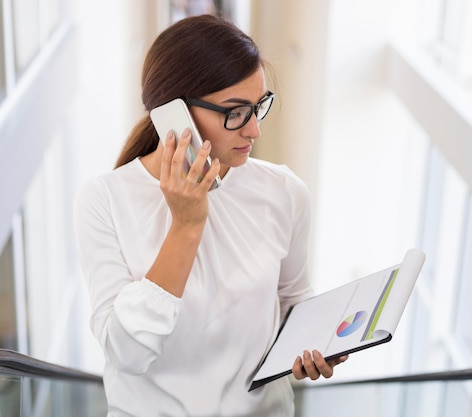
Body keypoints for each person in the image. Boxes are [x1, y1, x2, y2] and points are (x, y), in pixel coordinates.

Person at [74, 14, 346, 417]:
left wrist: (315, 342)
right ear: (173, 115)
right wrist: (186, 225)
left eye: (259, 107)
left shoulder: (285, 192)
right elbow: (126, 354)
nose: (254, 130)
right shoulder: (103, 201)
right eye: (236, 113)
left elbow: (292, 298)